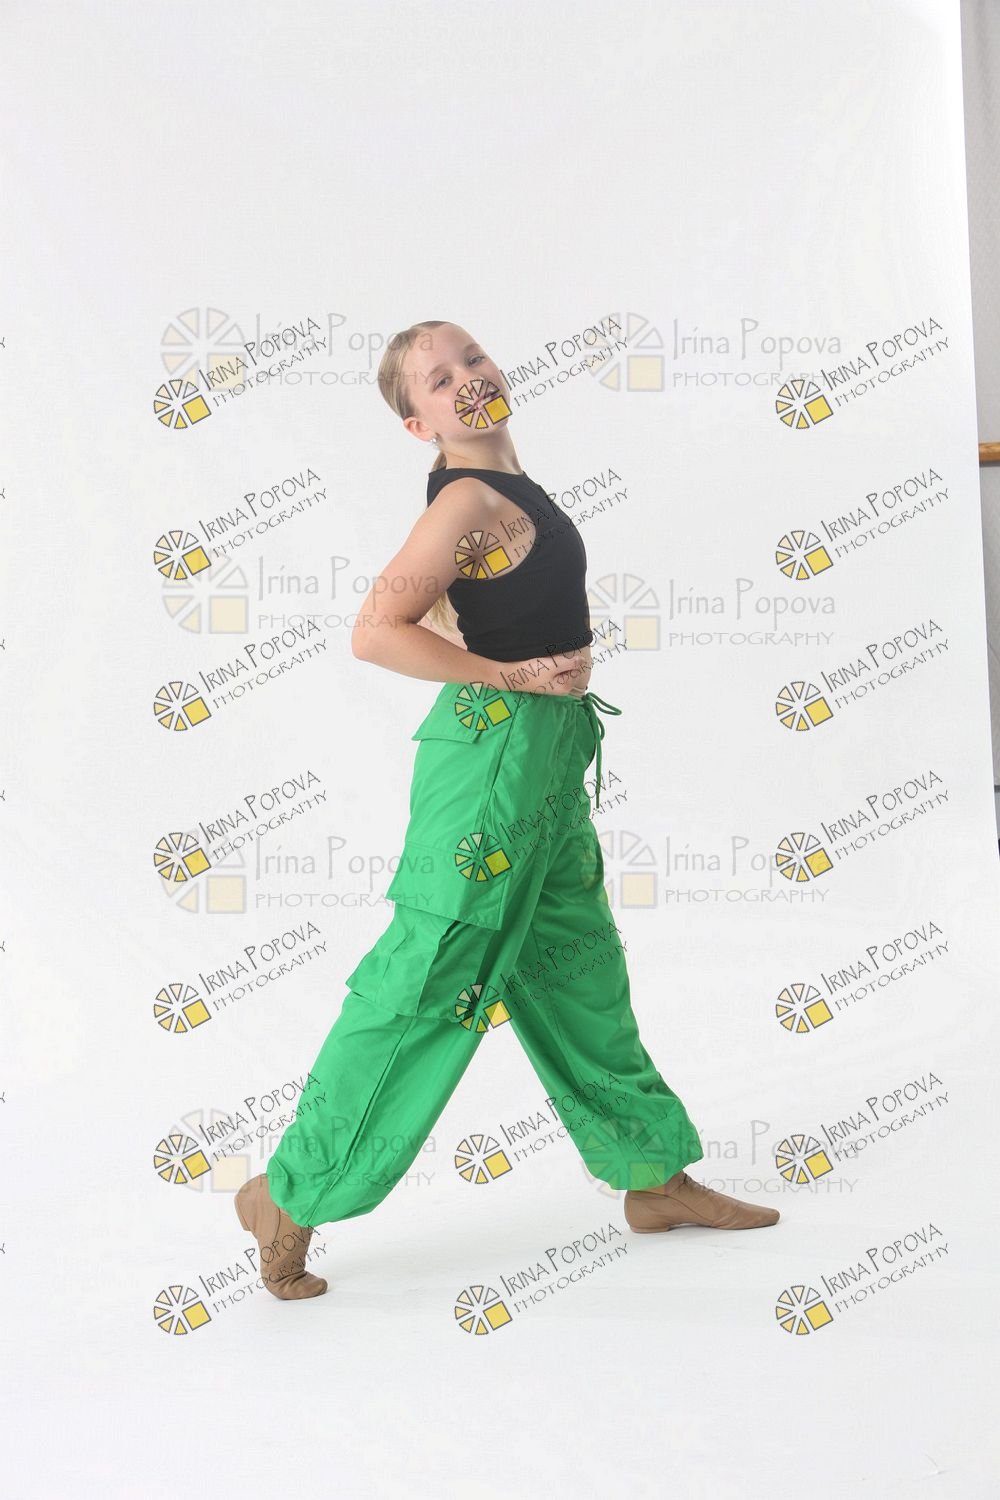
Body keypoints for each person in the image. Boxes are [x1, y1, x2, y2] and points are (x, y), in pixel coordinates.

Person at [234, 320, 779, 1301]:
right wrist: (508, 674)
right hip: (493, 760)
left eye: (473, 359)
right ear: (419, 423)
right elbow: (375, 631)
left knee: (577, 968)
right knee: (431, 973)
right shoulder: (467, 498)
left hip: (546, 758)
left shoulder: (509, 485)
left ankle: (652, 1175)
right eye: (439, 381)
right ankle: (290, 1192)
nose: (468, 381)